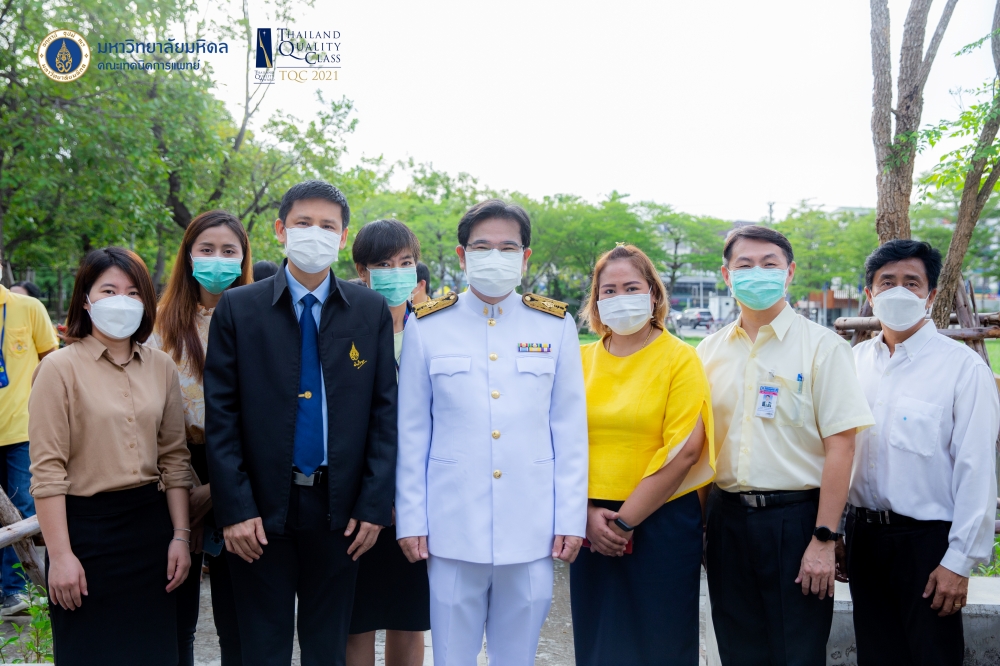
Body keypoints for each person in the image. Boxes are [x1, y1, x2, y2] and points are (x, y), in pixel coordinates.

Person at [204, 180, 397, 666]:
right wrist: (235, 509)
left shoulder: (369, 310)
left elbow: (384, 414)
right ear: (280, 230)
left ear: (343, 237)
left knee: (328, 648)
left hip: (340, 512)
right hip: (259, 512)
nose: (315, 233)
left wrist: (374, 505)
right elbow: (221, 417)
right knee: (261, 648)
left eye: (328, 226)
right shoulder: (239, 309)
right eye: (303, 222)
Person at [395, 199, 588, 666]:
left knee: (517, 657)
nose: (495, 256)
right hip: (451, 524)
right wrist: (412, 518)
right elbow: (413, 431)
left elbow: (569, 429)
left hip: (531, 524)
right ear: (462, 256)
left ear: (525, 258)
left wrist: (570, 517)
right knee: (452, 656)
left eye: (508, 247)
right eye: (482, 247)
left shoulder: (555, 324)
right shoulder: (428, 324)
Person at [697, 225, 874, 666]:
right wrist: (701, 526)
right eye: (745, 265)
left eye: (769, 263)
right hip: (726, 520)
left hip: (796, 523)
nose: (758, 272)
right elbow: (699, 447)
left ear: (789, 272)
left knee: (796, 653)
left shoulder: (823, 348)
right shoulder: (708, 351)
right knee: (736, 650)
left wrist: (824, 538)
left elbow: (842, 448)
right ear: (726, 275)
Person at [28, 247, 192, 664]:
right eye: (108, 290)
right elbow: (47, 472)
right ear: (86, 299)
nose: (122, 301)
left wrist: (180, 536)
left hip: (150, 531)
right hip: (85, 535)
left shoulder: (161, 367)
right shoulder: (58, 369)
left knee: (155, 654)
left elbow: (175, 460)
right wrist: (60, 556)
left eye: (133, 292)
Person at [847, 240, 999, 666]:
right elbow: (839, 453)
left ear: (930, 295)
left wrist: (959, 562)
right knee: (875, 655)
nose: (898, 291)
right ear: (870, 293)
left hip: (928, 545)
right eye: (887, 282)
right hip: (864, 538)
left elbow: (976, 471)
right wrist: (837, 532)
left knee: (932, 656)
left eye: (911, 282)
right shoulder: (853, 362)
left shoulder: (962, 368)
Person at [571, 244, 716, 666]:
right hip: (590, 521)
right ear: (596, 300)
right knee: (599, 645)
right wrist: (586, 513)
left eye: (631, 287)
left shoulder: (680, 358)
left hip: (659, 521)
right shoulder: (579, 359)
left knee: (660, 645)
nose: (620, 297)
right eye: (609, 290)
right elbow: (556, 442)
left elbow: (685, 450)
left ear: (653, 294)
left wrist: (624, 522)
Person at [147, 210, 253, 666]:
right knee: (175, 616)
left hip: (245, 476)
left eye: (229, 251)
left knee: (240, 618)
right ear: (188, 255)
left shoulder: (260, 319)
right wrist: (186, 495)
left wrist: (217, 490)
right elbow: (149, 417)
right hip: (173, 475)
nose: (217, 259)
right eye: (206, 249)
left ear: (244, 258)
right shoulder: (156, 327)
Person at [347, 218, 429, 666]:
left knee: (409, 619)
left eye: (405, 262)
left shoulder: (432, 330)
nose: (397, 272)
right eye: (383, 264)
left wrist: (407, 497)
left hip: (417, 502)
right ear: (362, 272)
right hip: (358, 502)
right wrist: (375, 497)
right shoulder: (344, 330)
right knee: (356, 621)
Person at [0, 268, 57, 616]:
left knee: (21, 507)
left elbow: (51, 360)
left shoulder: (28, 307)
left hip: (20, 429)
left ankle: (15, 589)